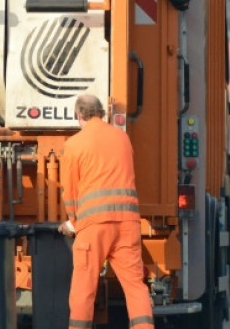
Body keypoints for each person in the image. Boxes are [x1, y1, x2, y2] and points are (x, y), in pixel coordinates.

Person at [58, 94, 154, 329]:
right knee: (135, 286)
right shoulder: (122, 139)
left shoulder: (73, 145)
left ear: (79, 115)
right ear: (101, 113)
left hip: (93, 227)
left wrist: (72, 222)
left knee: (84, 289)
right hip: (127, 223)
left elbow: (69, 192)